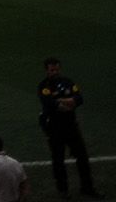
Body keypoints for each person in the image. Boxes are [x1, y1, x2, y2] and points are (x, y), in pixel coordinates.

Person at [38, 57, 98, 199]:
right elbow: (49, 103)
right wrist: (69, 102)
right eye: (52, 70)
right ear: (46, 70)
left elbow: (79, 98)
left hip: (71, 126)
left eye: (57, 69)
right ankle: (63, 190)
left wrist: (62, 101)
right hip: (54, 127)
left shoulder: (68, 82)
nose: (55, 72)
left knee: (82, 157)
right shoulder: (44, 86)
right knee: (58, 160)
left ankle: (87, 187)